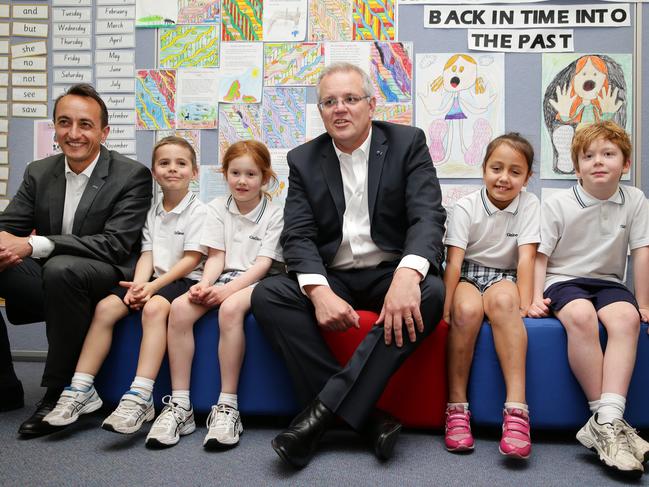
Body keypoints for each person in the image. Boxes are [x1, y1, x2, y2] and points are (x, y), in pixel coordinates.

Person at [251, 62, 446, 469]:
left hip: (389, 270)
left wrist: (408, 275)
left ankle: (320, 415)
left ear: (371, 105)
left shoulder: (407, 142)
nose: (340, 109)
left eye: (351, 99)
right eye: (329, 102)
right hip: (334, 275)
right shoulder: (304, 159)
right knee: (269, 294)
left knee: (430, 293)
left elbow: (427, 217)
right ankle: (367, 419)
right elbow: (298, 236)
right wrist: (318, 290)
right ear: (321, 111)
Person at [0, 84, 151, 436]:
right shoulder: (39, 171)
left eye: (85, 124)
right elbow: (9, 227)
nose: (74, 133)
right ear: (54, 127)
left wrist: (35, 244)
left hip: (108, 275)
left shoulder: (131, 175)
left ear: (104, 132)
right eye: (64, 122)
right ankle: (5, 386)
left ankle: (59, 391)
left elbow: (115, 245)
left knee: (60, 267)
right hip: (54, 277)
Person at [41, 136, 206, 435]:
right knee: (105, 307)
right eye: (164, 163)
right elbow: (147, 253)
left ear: (194, 172)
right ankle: (81, 389)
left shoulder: (201, 211)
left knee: (154, 310)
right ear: (154, 172)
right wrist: (139, 285)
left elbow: (192, 260)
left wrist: (153, 290)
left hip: (183, 280)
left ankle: (141, 396)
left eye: (181, 164)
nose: (172, 169)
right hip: (154, 279)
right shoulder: (152, 210)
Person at [145, 140, 284, 449]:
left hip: (255, 281)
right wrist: (206, 285)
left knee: (230, 309)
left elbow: (262, 265)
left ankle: (227, 406)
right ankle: (181, 405)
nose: (242, 181)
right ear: (225, 174)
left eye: (251, 174)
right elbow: (217, 257)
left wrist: (226, 292)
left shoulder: (275, 214)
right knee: (180, 308)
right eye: (235, 173)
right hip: (222, 276)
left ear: (265, 177)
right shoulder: (215, 208)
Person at [528, 121, 649, 476]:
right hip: (563, 279)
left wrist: (643, 303)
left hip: (608, 282)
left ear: (625, 164)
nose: (598, 162)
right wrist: (535, 296)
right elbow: (540, 255)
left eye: (608, 154)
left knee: (626, 320)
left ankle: (605, 422)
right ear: (577, 166)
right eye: (588, 156)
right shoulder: (559, 202)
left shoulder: (636, 199)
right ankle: (610, 425)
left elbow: (641, 252)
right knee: (581, 316)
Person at [442, 133, 539, 459]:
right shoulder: (465, 207)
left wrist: (524, 306)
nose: (504, 177)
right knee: (467, 311)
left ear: (527, 177)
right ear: (484, 169)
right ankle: (456, 408)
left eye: (515, 171)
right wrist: (446, 308)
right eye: (496, 168)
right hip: (469, 273)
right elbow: (454, 263)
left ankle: (516, 410)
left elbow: (525, 259)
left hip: (504, 276)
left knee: (503, 303)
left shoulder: (530, 204)